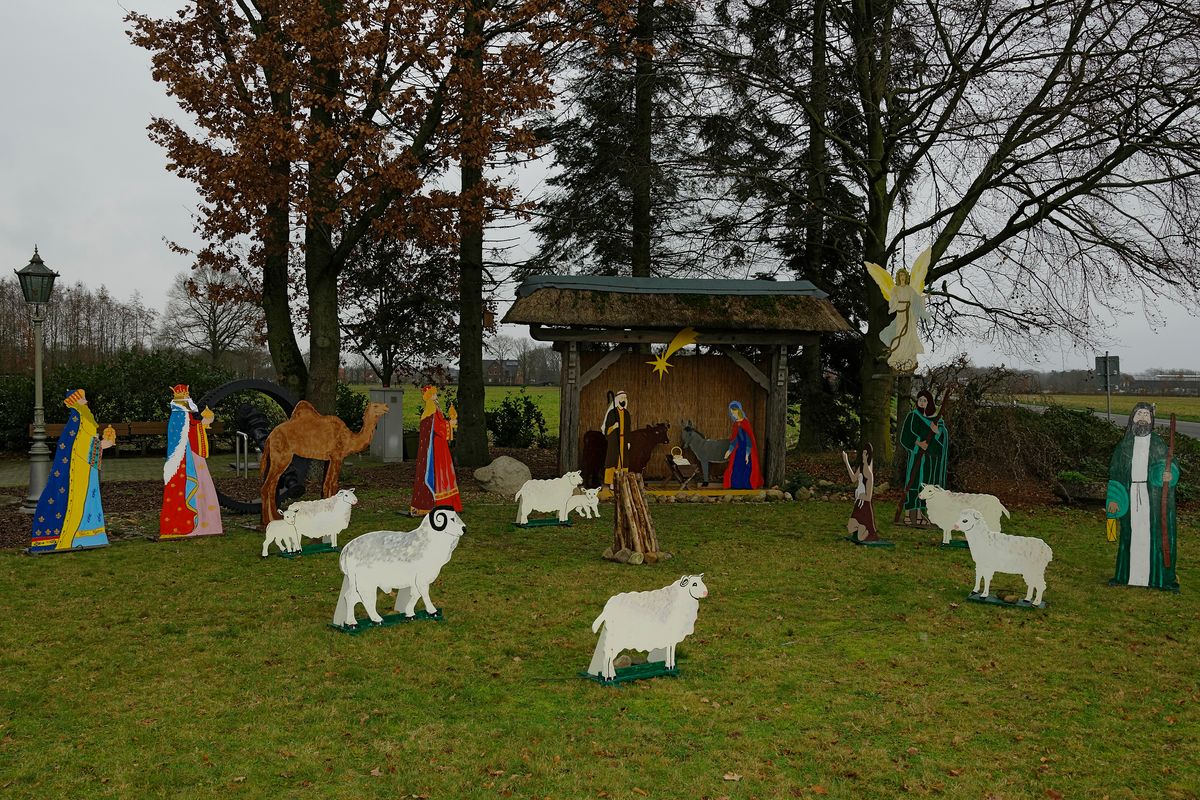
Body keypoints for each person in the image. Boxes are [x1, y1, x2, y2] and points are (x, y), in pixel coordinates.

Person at [30, 389, 115, 553]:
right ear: (76, 400)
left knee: (89, 500)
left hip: (87, 468)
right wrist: (106, 444)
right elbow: (82, 447)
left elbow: (89, 443)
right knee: (80, 500)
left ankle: (89, 535)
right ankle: (77, 537)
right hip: (80, 469)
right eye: (83, 397)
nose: (86, 400)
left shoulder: (84, 418)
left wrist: (104, 442)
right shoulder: (78, 420)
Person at [1106, 403, 1179, 590]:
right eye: (1139, 414)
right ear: (1133, 418)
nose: (1143, 418)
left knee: (1152, 535)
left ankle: (1157, 577)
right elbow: (1115, 474)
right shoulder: (1124, 446)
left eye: (1147, 414)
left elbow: (1168, 465)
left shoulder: (1158, 444)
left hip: (1151, 499)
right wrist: (1114, 498)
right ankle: (1128, 575)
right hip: (1130, 496)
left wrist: (1168, 475)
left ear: (1151, 420)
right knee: (1130, 534)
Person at [898, 389, 949, 525]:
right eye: (919, 400)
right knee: (913, 482)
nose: (921, 403)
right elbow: (905, 435)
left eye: (924, 400)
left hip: (929, 461)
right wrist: (918, 443)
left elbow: (942, 437)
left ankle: (920, 515)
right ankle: (909, 514)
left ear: (929, 402)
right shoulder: (912, 416)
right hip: (916, 457)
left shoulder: (936, 420)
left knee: (925, 485)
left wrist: (936, 431)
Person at [411, 385, 461, 516]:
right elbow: (438, 428)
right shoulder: (431, 411)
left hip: (439, 445)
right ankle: (438, 503)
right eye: (434, 395)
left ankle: (445, 502)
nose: (436, 397)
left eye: (435, 395)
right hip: (436, 448)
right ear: (429, 397)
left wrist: (449, 422)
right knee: (439, 472)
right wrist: (450, 423)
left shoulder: (433, 411)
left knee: (443, 471)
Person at [843, 445, 885, 544]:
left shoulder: (869, 474)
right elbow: (853, 479)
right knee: (850, 528)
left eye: (865, 453)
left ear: (869, 455)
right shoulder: (861, 468)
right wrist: (846, 462)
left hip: (865, 506)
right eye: (862, 453)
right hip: (859, 504)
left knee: (861, 537)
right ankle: (860, 526)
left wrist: (859, 495)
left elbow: (868, 497)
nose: (863, 455)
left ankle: (867, 530)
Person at [723, 401, 762, 489]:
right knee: (737, 467)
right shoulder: (736, 424)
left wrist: (747, 455)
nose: (733, 414)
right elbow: (735, 439)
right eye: (731, 413)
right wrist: (729, 451)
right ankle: (736, 486)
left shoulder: (745, 423)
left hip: (746, 450)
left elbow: (748, 440)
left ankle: (746, 485)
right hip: (738, 450)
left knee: (746, 468)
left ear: (738, 411)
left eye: (734, 412)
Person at [603, 390, 631, 487]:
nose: (624, 400)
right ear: (618, 399)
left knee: (623, 461)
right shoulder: (612, 413)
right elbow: (607, 429)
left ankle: (621, 481)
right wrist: (613, 427)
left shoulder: (626, 413)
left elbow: (628, 428)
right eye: (622, 398)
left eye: (625, 398)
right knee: (613, 460)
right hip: (614, 441)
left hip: (624, 440)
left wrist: (628, 441)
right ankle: (611, 482)